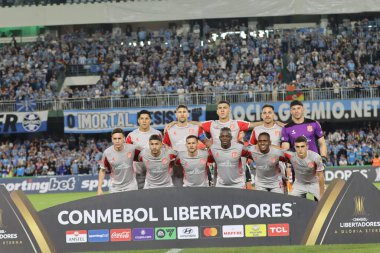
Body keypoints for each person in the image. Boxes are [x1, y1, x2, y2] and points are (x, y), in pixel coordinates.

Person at [97, 128, 140, 195]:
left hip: (131, 187)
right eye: (115, 139)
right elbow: (102, 170)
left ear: (123, 138)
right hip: (115, 188)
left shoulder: (132, 149)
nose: (117, 141)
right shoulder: (107, 153)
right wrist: (99, 188)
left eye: (119, 138)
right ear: (112, 139)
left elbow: (146, 156)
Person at [126, 110, 162, 189]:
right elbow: (127, 155)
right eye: (142, 118)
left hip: (154, 169)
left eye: (146, 118)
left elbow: (161, 151)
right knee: (140, 195)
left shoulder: (157, 134)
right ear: (138, 120)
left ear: (150, 120)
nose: (144, 121)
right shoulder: (131, 135)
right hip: (138, 170)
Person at [285, 136, 325, 201]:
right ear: (295, 147)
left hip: (314, 183)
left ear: (307, 146)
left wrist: (322, 193)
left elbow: (321, 175)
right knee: (290, 201)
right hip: (299, 184)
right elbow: (278, 150)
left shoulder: (315, 157)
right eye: (297, 147)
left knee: (324, 202)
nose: (300, 149)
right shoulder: (290, 155)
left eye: (302, 146)